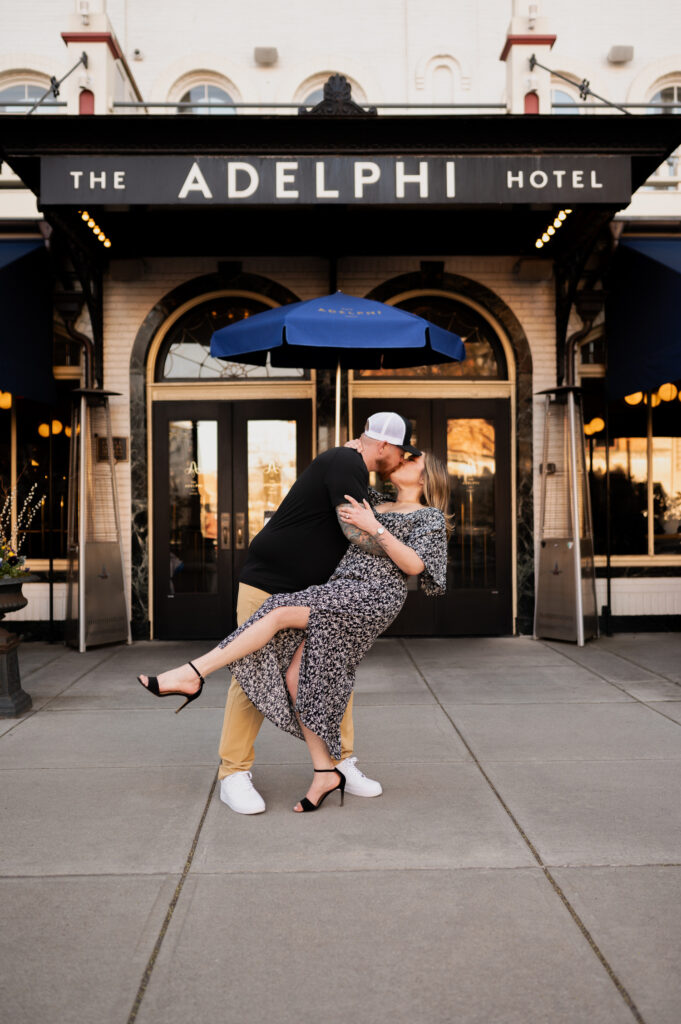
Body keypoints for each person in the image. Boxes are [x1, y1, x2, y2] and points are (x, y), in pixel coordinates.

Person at [138, 442, 451, 813]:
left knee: (281, 615)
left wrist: (374, 528)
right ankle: (324, 771)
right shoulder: (374, 497)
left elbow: (415, 566)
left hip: (370, 595)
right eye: (404, 452)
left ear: (427, 477)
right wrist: (353, 449)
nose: (405, 458)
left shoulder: (428, 515)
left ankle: (191, 674)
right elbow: (341, 474)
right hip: (331, 588)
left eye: (415, 459)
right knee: (298, 676)